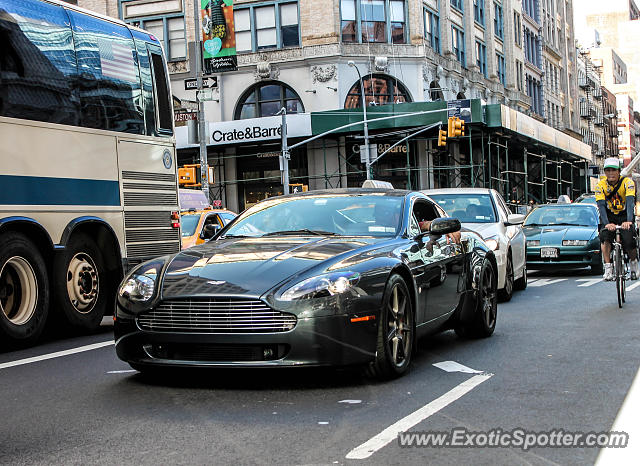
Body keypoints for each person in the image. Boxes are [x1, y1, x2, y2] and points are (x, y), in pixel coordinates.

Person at [595, 158, 638, 281]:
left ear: (619, 171)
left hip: (625, 215)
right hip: (609, 216)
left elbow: (630, 203)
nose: (610, 173)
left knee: (629, 240)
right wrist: (607, 224)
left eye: (613, 170)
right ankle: (608, 267)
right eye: (607, 170)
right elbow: (601, 206)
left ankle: (634, 264)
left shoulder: (627, 182)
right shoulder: (600, 186)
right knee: (605, 237)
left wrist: (629, 221)